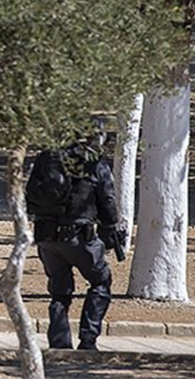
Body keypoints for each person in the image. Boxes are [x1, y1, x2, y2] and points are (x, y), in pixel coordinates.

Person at [27, 131, 122, 351]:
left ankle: (59, 345)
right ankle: (88, 340)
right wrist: (109, 230)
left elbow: (29, 195)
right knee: (100, 281)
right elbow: (107, 199)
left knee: (59, 292)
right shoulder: (94, 163)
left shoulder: (47, 158)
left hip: (46, 238)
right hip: (80, 237)